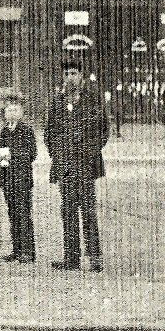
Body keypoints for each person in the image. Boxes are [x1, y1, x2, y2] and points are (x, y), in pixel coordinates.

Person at [44, 66, 109, 272]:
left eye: (74, 73)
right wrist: (57, 154)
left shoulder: (92, 99)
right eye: (67, 74)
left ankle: (95, 257)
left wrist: (89, 152)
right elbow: (49, 132)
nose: (70, 77)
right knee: (68, 211)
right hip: (65, 166)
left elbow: (103, 131)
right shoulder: (58, 101)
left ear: (82, 75)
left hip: (86, 165)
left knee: (88, 211)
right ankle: (71, 258)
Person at [0, 94, 37, 263]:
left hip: (22, 178)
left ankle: (28, 251)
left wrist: (14, 156)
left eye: (15, 109)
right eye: (8, 109)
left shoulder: (26, 130)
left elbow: (32, 153)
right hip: (7, 178)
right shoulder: (5, 130)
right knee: (13, 214)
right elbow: (1, 151)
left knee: (23, 214)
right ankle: (17, 249)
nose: (11, 112)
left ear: (21, 112)